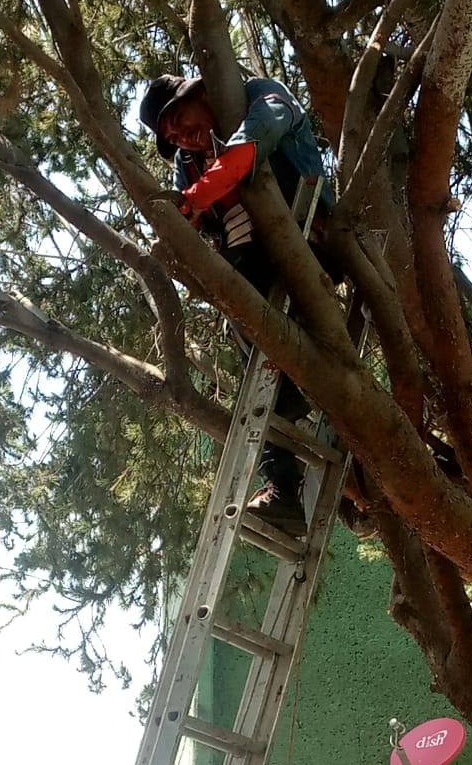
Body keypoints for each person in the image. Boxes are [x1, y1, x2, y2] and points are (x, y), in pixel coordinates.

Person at [139, 73, 336, 536]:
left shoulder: (254, 95)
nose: (180, 136)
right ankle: (287, 475)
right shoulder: (188, 163)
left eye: (179, 119)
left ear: (201, 94)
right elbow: (194, 220)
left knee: (256, 340)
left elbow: (253, 143)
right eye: (169, 136)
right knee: (252, 351)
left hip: (304, 229)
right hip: (248, 260)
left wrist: (192, 201)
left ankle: (294, 424)